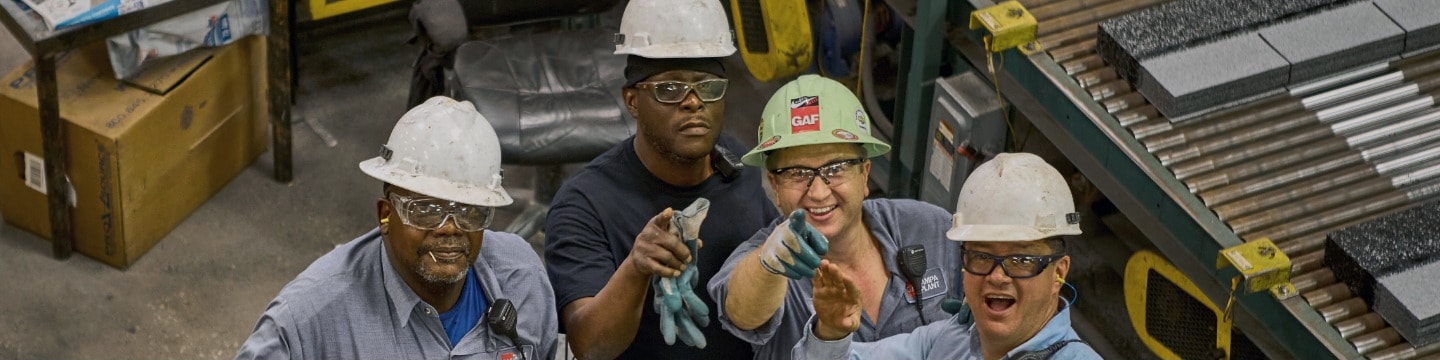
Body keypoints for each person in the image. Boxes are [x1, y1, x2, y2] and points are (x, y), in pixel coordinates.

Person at [541, 0, 779, 358]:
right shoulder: (585, 204)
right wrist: (636, 269)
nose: (693, 102)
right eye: (670, 89)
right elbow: (590, 346)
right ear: (632, 101)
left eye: (709, 87)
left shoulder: (740, 168)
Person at [236, 97, 557, 360]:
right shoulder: (308, 319)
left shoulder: (521, 279)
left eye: (470, 211)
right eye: (426, 210)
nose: (449, 228)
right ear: (385, 215)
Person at [707, 74, 964, 360]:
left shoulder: (928, 227)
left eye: (835, 168)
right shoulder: (762, 261)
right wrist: (770, 265)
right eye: (797, 173)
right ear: (775, 186)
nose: (818, 193)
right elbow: (741, 311)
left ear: (864, 174)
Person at [796, 153, 1102, 360]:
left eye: (1021, 261)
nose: (997, 276)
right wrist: (831, 333)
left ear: (1059, 273)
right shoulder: (950, 341)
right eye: (982, 256)